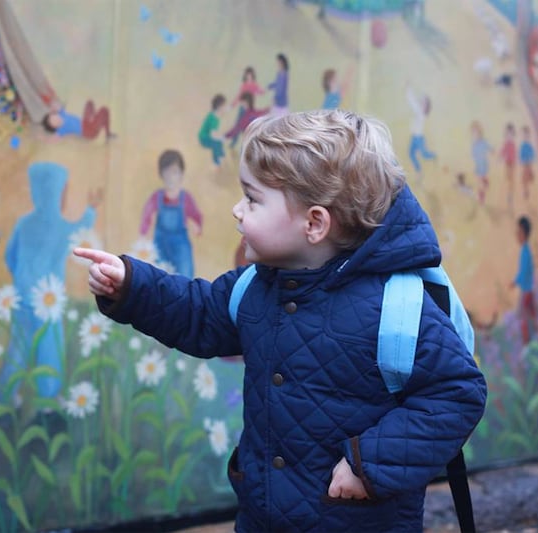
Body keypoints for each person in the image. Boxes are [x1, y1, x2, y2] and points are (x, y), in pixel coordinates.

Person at [75, 109, 486, 532]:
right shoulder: (256, 286)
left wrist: (371, 465)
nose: (238, 210)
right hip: (263, 516)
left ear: (314, 223)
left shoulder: (397, 308)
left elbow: (457, 393)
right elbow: (197, 313)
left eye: (252, 199)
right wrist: (132, 286)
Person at [0, 161, 102, 405]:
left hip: (23, 296)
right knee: (49, 347)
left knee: (19, 345)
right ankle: (48, 397)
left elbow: (9, 256)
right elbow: (80, 230)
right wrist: (91, 209)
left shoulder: (23, 224)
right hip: (49, 300)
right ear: (58, 194)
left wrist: (21, 279)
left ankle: (5, 396)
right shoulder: (61, 227)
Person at [139, 149, 202, 278]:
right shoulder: (157, 197)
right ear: (161, 174)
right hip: (161, 245)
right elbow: (147, 215)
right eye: (167, 172)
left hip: (181, 248)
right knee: (160, 278)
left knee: (184, 278)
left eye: (175, 172)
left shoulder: (186, 198)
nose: (171, 177)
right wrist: (143, 234)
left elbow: (196, 215)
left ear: (181, 174)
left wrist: (197, 225)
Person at [511, 215, 537, 344]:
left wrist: (514, 282)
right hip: (529, 290)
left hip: (527, 291)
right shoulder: (525, 250)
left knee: (523, 317)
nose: (517, 235)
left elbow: (524, 272)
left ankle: (527, 342)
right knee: (532, 316)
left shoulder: (525, 252)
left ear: (525, 233)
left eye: (519, 232)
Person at [228, 67, 266, 147]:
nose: (248, 77)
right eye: (247, 75)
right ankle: (234, 142)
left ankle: (245, 144)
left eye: (250, 75)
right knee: (237, 125)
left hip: (248, 110)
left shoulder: (254, 85)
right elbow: (239, 96)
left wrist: (260, 91)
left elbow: (261, 92)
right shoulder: (244, 85)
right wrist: (232, 105)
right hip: (242, 109)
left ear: (252, 76)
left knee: (246, 128)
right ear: (245, 76)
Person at [41, 100, 115, 141]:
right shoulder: (61, 130)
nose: (56, 119)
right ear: (54, 127)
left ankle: (97, 122)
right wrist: (43, 138)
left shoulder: (62, 114)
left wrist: (52, 106)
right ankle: (108, 134)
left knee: (90, 103)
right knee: (104, 110)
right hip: (88, 132)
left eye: (54, 117)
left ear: (55, 114)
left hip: (87, 123)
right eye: (53, 122)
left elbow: (57, 105)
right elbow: (54, 138)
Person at [407, 84, 436, 179]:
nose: (421, 103)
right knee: (411, 154)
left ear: (426, 106)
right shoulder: (419, 111)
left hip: (419, 138)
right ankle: (418, 172)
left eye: (423, 102)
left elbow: (413, 103)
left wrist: (408, 89)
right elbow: (413, 103)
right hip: (414, 137)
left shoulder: (421, 113)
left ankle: (434, 156)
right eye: (421, 101)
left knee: (424, 154)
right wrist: (409, 89)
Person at [198, 94, 226, 166]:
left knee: (218, 142)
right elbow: (213, 135)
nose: (225, 108)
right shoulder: (215, 120)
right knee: (217, 143)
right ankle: (217, 161)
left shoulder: (213, 114)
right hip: (204, 139)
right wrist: (221, 138)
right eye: (224, 106)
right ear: (219, 107)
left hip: (204, 135)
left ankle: (220, 155)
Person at [471, 120, 493, 204]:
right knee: (479, 181)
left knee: (481, 180)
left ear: (480, 133)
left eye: (476, 133)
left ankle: (482, 195)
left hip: (483, 165)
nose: (475, 135)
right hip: (478, 166)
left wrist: (492, 150)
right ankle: (481, 195)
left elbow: (488, 147)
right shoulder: (474, 144)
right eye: (473, 133)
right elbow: (473, 154)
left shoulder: (483, 142)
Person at [500, 123, 516, 210]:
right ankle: (509, 194)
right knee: (508, 178)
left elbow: (514, 154)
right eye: (508, 134)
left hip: (512, 163)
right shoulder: (506, 144)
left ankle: (510, 195)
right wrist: (501, 158)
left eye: (511, 134)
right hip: (508, 163)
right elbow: (503, 151)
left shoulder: (513, 144)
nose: (509, 136)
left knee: (511, 179)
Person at [519, 125, 536, 199]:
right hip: (524, 163)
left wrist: (531, 161)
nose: (525, 136)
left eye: (527, 134)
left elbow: (532, 154)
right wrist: (521, 160)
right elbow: (521, 154)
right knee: (524, 178)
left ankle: (526, 190)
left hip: (528, 163)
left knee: (528, 177)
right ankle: (526, 191)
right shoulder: (522, 145)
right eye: (524, 135)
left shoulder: (529, 145)